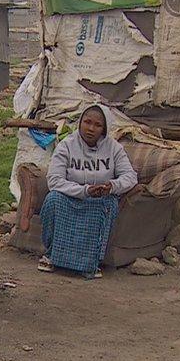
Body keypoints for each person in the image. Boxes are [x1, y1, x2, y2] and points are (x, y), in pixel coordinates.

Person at [38, 104, 138, 279]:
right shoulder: (66, 146)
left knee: (109, 205)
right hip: (69, 197)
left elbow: (130, 177)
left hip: (99, 199)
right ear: (80, 122)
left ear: (104, 128)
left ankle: (91, 262)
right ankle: (50, 255)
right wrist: (83, 191)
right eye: (87, 122)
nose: (91, 128)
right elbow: (54, 180)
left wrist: (112, 186)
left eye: (97, 125)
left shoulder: (114, 148)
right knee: (52, 200)